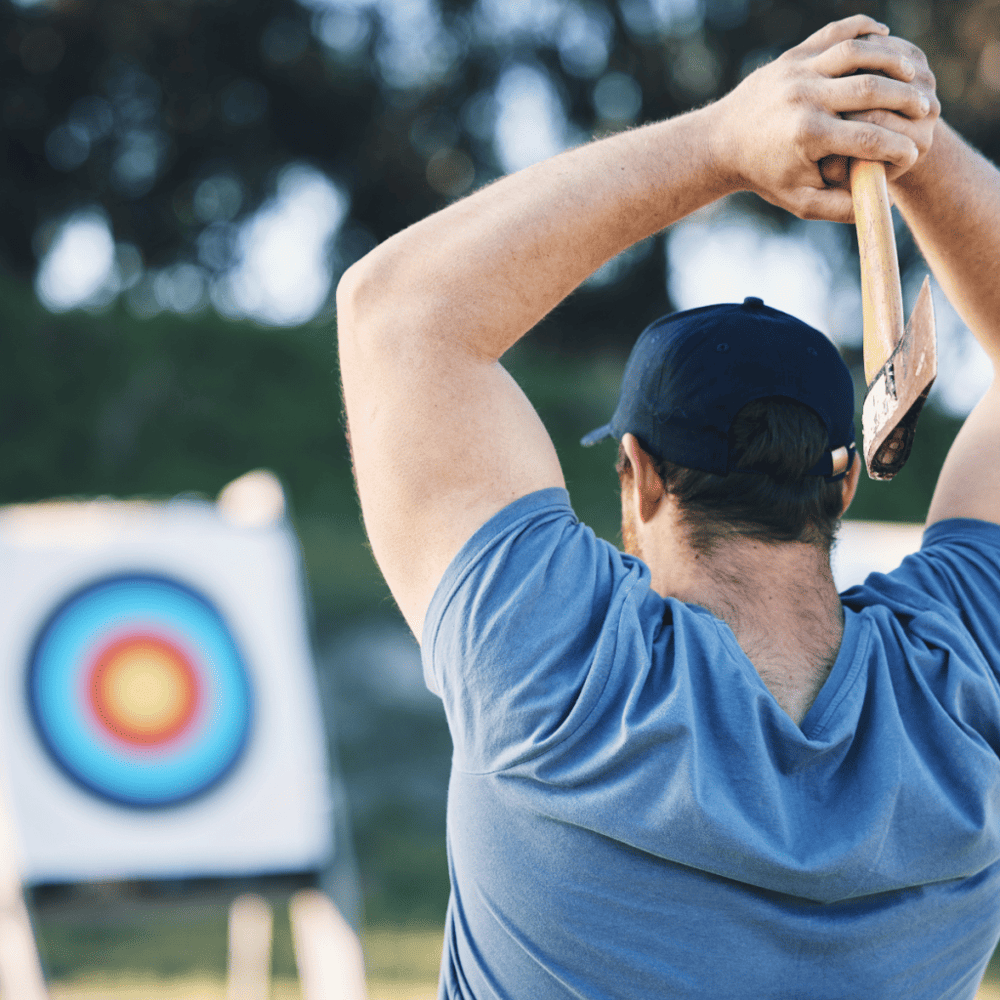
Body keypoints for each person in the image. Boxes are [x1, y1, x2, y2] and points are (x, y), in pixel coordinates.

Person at [338, 13, 1000, 998]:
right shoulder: (963, 688)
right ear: (843, 481)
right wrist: (900, 127)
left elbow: (395, 311)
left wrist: (723, 141)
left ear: (638, 475)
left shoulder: (560, 675)